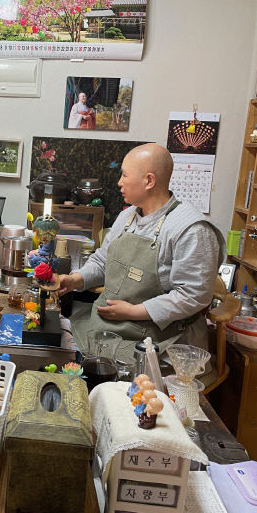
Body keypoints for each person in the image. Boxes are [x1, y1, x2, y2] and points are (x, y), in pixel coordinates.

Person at [58, 143, 225, 356]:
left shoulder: (191, 229)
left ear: (149, 181)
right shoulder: (127, 217)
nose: (119, 182)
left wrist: (134, 311)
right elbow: (102, 262)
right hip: (115, 327)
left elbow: (193, 295)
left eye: (125, 175)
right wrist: (75, 280)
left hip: (164, 342)